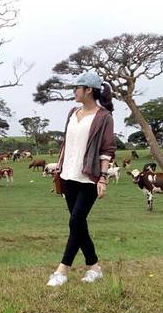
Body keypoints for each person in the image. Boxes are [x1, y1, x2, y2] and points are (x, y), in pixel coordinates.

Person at [46, 71, 116, 287]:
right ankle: (94, 267)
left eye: (77, 87)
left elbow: (107, 150)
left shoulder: (104, 117)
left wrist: (103, 178)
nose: (74, 91)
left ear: (89, 90)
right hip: (68, 175)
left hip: (89, 177)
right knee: (79, 224)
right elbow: (66, 143)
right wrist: (59, 167)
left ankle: (62, 270)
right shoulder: (72, 112)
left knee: (75, 221)